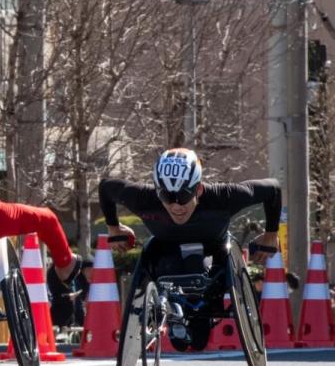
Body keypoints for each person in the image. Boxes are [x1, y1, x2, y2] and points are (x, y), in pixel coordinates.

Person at [98, 147, 281, 351]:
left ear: (199, 189)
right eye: (167, 196)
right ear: (158, 192)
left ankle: (193, 311)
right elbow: (106, 187)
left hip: (212, 254)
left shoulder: (222, 196)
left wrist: (271, 234)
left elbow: (272, 189)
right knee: (179, 336)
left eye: (184, 196)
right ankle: (172, 312)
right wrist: (113, 228)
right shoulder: (144, 198)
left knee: (199, 337)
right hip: (166, 252)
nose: (176, 206)